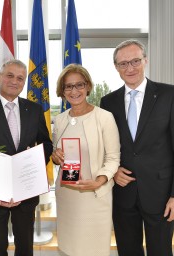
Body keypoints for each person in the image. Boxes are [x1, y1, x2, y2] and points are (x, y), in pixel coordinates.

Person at [100, 39, 174, 256]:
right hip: (124, 194)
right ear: (116, 68)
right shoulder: (108, 102)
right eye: (123, 64)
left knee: (160, 251)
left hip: (161, 195)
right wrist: (113, 171)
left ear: (145, 61)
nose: (130, 68)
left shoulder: (171, 95)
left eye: (135, 61)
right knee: (128, 251)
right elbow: (105, 148)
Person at [0, 59, 53, 256]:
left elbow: (46, 144)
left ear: (24, 83)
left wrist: (32, 162)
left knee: (25, 247)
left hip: (26, 192)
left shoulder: (34, 110)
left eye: (20, 78)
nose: (14, 81)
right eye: (10, 75)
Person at [51, 63, 120, 256]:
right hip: (67, 195)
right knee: (69, 249)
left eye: (79, 85)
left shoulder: (104, 118)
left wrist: (100, 180)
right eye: (68, 86)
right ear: (62, 91)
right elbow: (58, 155)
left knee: (93, 250)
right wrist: (55, 157)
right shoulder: (60, 119)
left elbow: (113, 158)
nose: (74, 91)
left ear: (88, 86)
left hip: (95, 196)